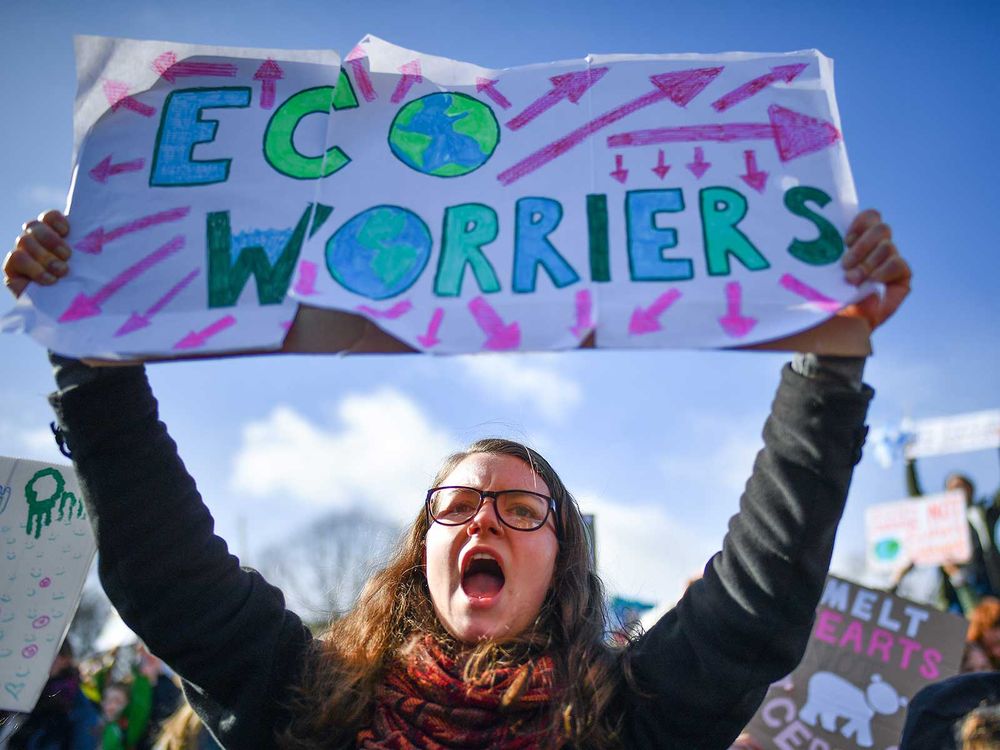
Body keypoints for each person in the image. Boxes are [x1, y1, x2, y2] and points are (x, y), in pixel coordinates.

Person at [4, 207, 910, 749]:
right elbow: (172, 580)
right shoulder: (305, 700)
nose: (486, 522)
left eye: (522, 508)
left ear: (563, 558)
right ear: (423, 549)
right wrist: (95, 367)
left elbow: (756, 605)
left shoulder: (629, 717)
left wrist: (827, 372)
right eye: (458, 506)